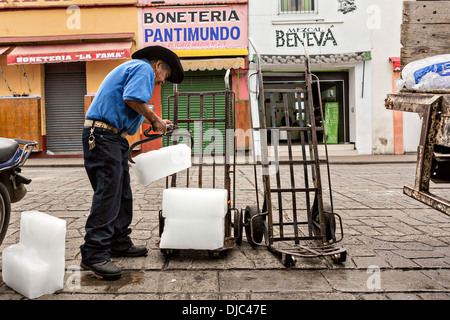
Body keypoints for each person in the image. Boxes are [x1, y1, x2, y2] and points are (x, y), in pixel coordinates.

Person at [80, 46, 184, 279]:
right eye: (165, 76)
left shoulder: (134, 69)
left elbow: (129, 105)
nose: (162, 82)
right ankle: (94, 254)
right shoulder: (142, 68)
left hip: (112, 138)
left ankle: (118, 241)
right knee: (108, 194)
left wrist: (157, 121)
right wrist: (155, 119)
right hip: (103, 137)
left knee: (121, 193)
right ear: (159, 65)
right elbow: (132, 99)